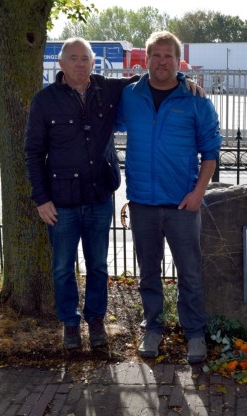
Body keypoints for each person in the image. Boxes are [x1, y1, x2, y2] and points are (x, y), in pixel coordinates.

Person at [24, 37, 202, 352]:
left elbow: (153, 77)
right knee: (63, 266)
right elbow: (33, 152)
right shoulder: (44, 101)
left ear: (94, 64)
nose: (80, 64)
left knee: (98, 266)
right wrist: (41, 198)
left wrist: (186, 81)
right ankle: (69, 322)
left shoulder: (108, 90)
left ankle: (95, 322)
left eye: (85, 59)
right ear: (61, 64)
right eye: (73, 58)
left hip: (98, 197)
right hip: (60, 202)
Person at [116, 31, 222, 364]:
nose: (162, 62)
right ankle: (153, 327)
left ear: (179, 62)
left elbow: (211, 150)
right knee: (148, 271)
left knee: (189, 272)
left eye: (169, 56)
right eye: (155, 56)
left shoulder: (196, 99)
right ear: (145, 60)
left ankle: (194, 333)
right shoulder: (129, 96)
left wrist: (198, 193)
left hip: (182, 205)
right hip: (143, 203)